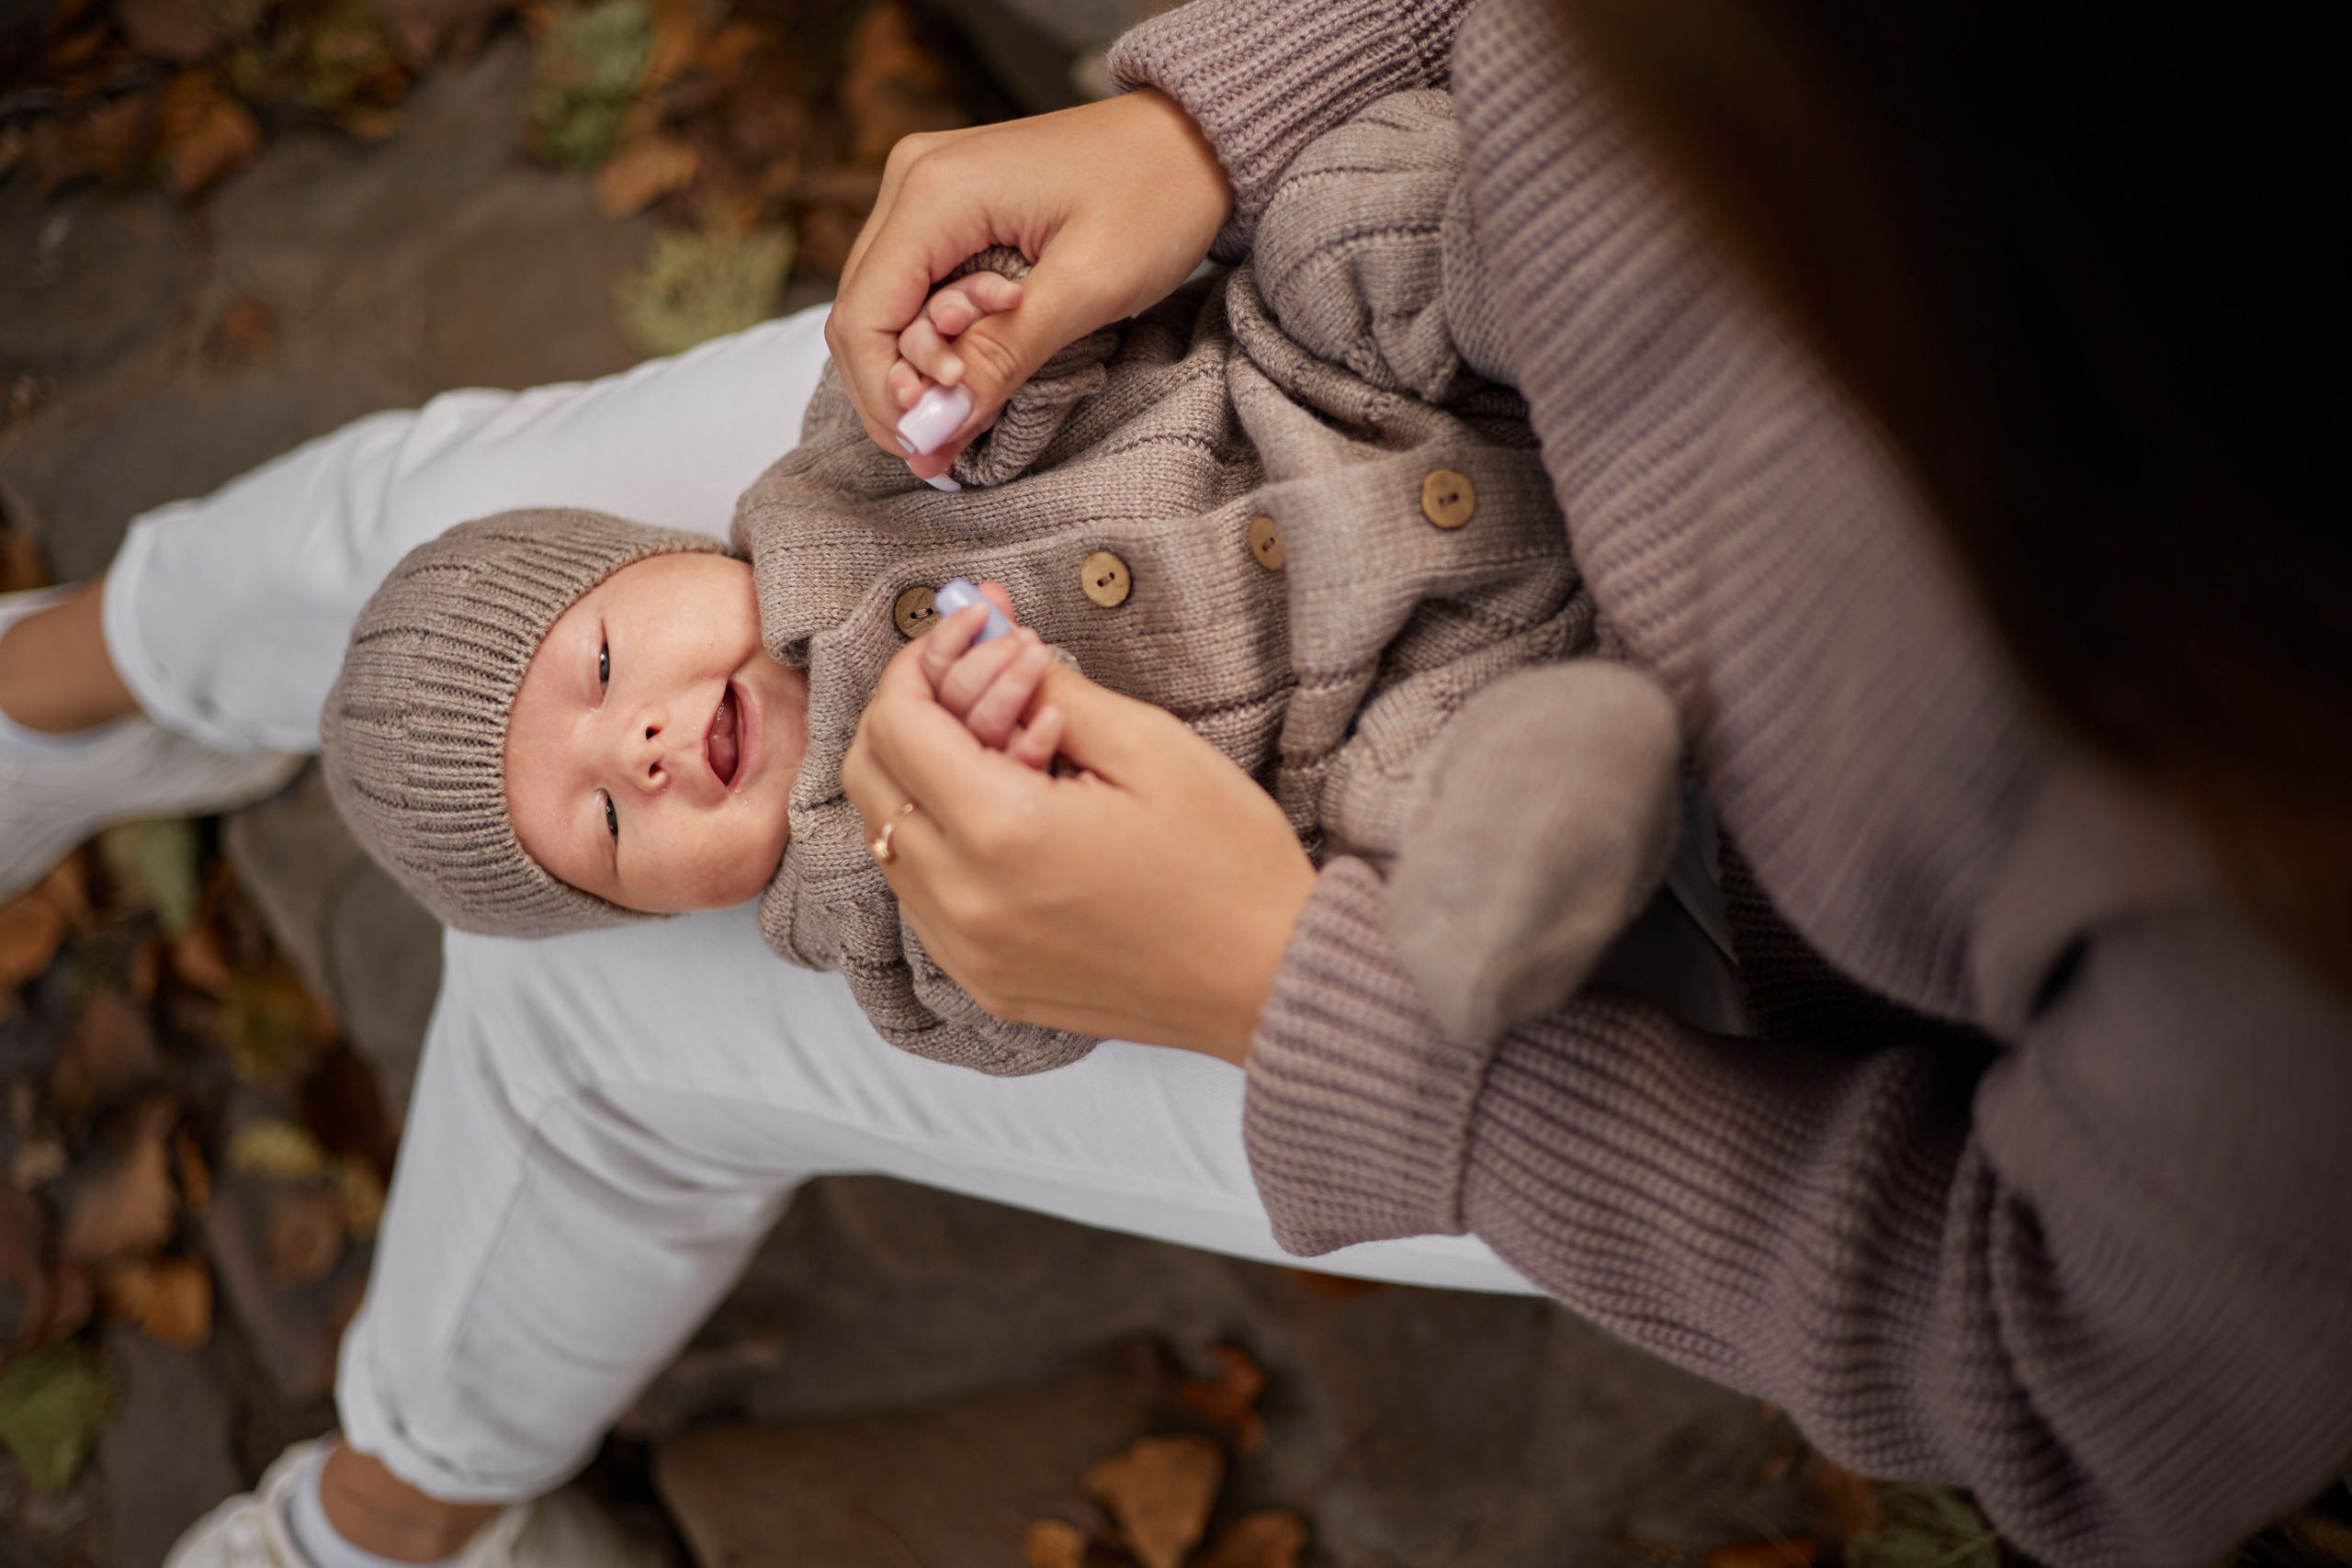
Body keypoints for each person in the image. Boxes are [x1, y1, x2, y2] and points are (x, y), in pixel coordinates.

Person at [816, 1, 2352, 1564]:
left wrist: (1296, 1002)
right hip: (1318, 285)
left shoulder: (2257, 881)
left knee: (574, 1043)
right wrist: (1216, 121)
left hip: (1546, 940)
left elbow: (2070, 1388)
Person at [319, 101, 1728, 1080]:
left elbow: (1073, 337)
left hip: (1327, 389)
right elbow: (1021, 1005)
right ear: (660, 913)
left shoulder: (847, 462)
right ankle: (1575, 793)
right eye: (609, 824)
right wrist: (1013, 808)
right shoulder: (873, 912)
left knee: (1348, 229)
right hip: (1384, 708)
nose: (636, 745)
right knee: (1427, 854)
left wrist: (980, 342)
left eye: (608, 663)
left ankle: (1575, 244)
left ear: (660, 551)